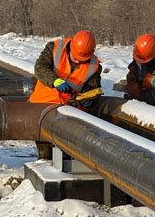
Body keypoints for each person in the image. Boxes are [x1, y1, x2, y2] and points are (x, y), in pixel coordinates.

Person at [29, 29, 102, 159]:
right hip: (42, 105)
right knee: (46, 153)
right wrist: (55, 80)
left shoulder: (94, 65)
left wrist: (88, 99)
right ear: (71, 47)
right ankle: (45, 163)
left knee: (66, 154)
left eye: (82, 59)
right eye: (76, 58)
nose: (78, 62)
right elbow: (40, 68)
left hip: (68, 111)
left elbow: (92, 87)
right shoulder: (54, 48)